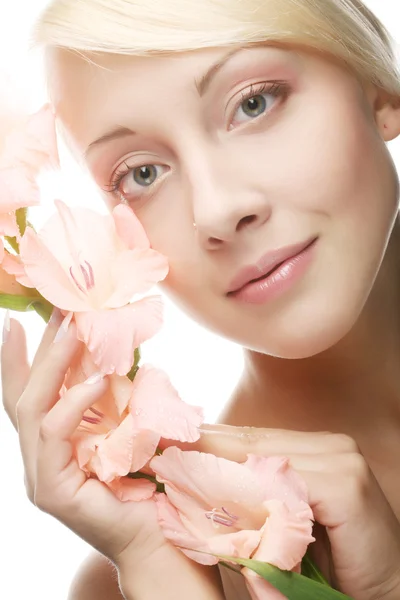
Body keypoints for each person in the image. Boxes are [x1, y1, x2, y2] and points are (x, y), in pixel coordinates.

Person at [3, 0, 400, 598]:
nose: (217, 210)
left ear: (378, 89)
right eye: (142, 173)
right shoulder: (163, 570)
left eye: (253, 102)